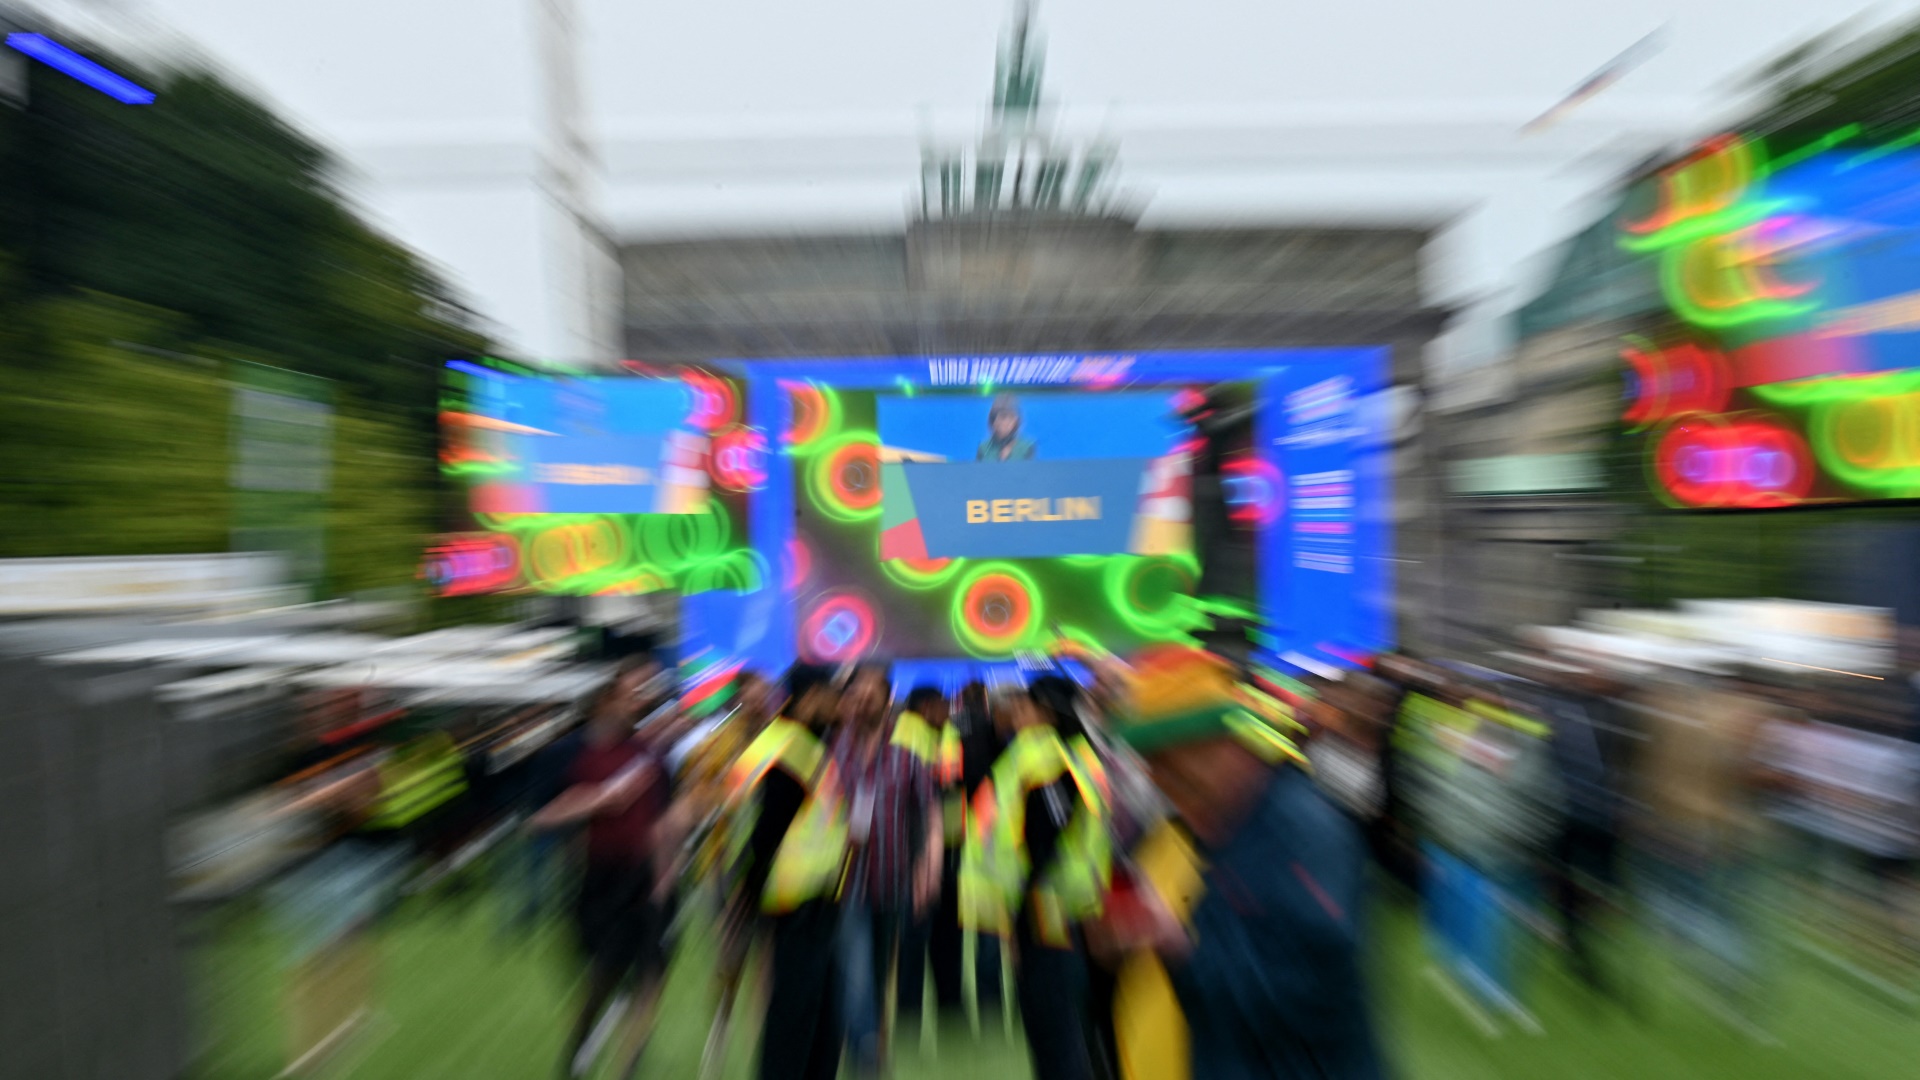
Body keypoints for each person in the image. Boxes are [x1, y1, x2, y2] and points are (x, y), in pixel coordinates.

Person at [1113, 645, 1384, 1080]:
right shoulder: (1228, 830)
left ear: (1217, 745)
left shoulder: (1300, 830)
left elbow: (1309, 991)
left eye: (1168, 763)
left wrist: (1178, 945)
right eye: (1152, 766)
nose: (1159, 781)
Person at [529, 657, 672, 1080]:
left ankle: (628, 1067)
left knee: (648, 973)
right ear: (608, 697)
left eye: (646, 691)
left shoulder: (651, 755)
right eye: (634, 691)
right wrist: (597, 799)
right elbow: (538, 818)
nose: (642, 699)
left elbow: (661, 821)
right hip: (594, 879)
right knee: (600, 978)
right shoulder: (568, 753)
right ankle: (579, 1048)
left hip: (641, 880)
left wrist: (665, 877)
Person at [965, 677, 1108, 1080]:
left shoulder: (1045, 759)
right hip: (1060, 905)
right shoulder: (1070, 754)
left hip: (1045, 911)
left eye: (1024, 707)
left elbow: (1044, 839)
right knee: (1056, 1022)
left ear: (1047, 711)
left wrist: (1018, 912)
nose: (1016, 714)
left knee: (1053, 1025)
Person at [735, 664, 850, 1080]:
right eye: (834, 693)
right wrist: (746, 898)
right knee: (794, 1019)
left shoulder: (806, 742)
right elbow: (764, 833)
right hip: (795, 904)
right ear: (812, 696)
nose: (840, 703)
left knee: (821, 1017)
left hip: (817, 901)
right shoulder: (790, 749)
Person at [834, 668, 943, 1077]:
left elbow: (929, 814)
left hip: (891, 879)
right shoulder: (831, 752)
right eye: (856, 690)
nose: (862, 697)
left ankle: (866, 1037)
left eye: (871, 691)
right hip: (842, 883)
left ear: (886, 698)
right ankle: (867, 1055)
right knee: (856, 967)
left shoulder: (906, 756)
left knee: (879, 972)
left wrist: (928, 866)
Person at [978, 392, 1037, 461]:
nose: (997, 422)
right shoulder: (984, 449)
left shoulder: (1027, 448)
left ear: (1015, 420)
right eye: (993, 417)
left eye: (1003, 417)